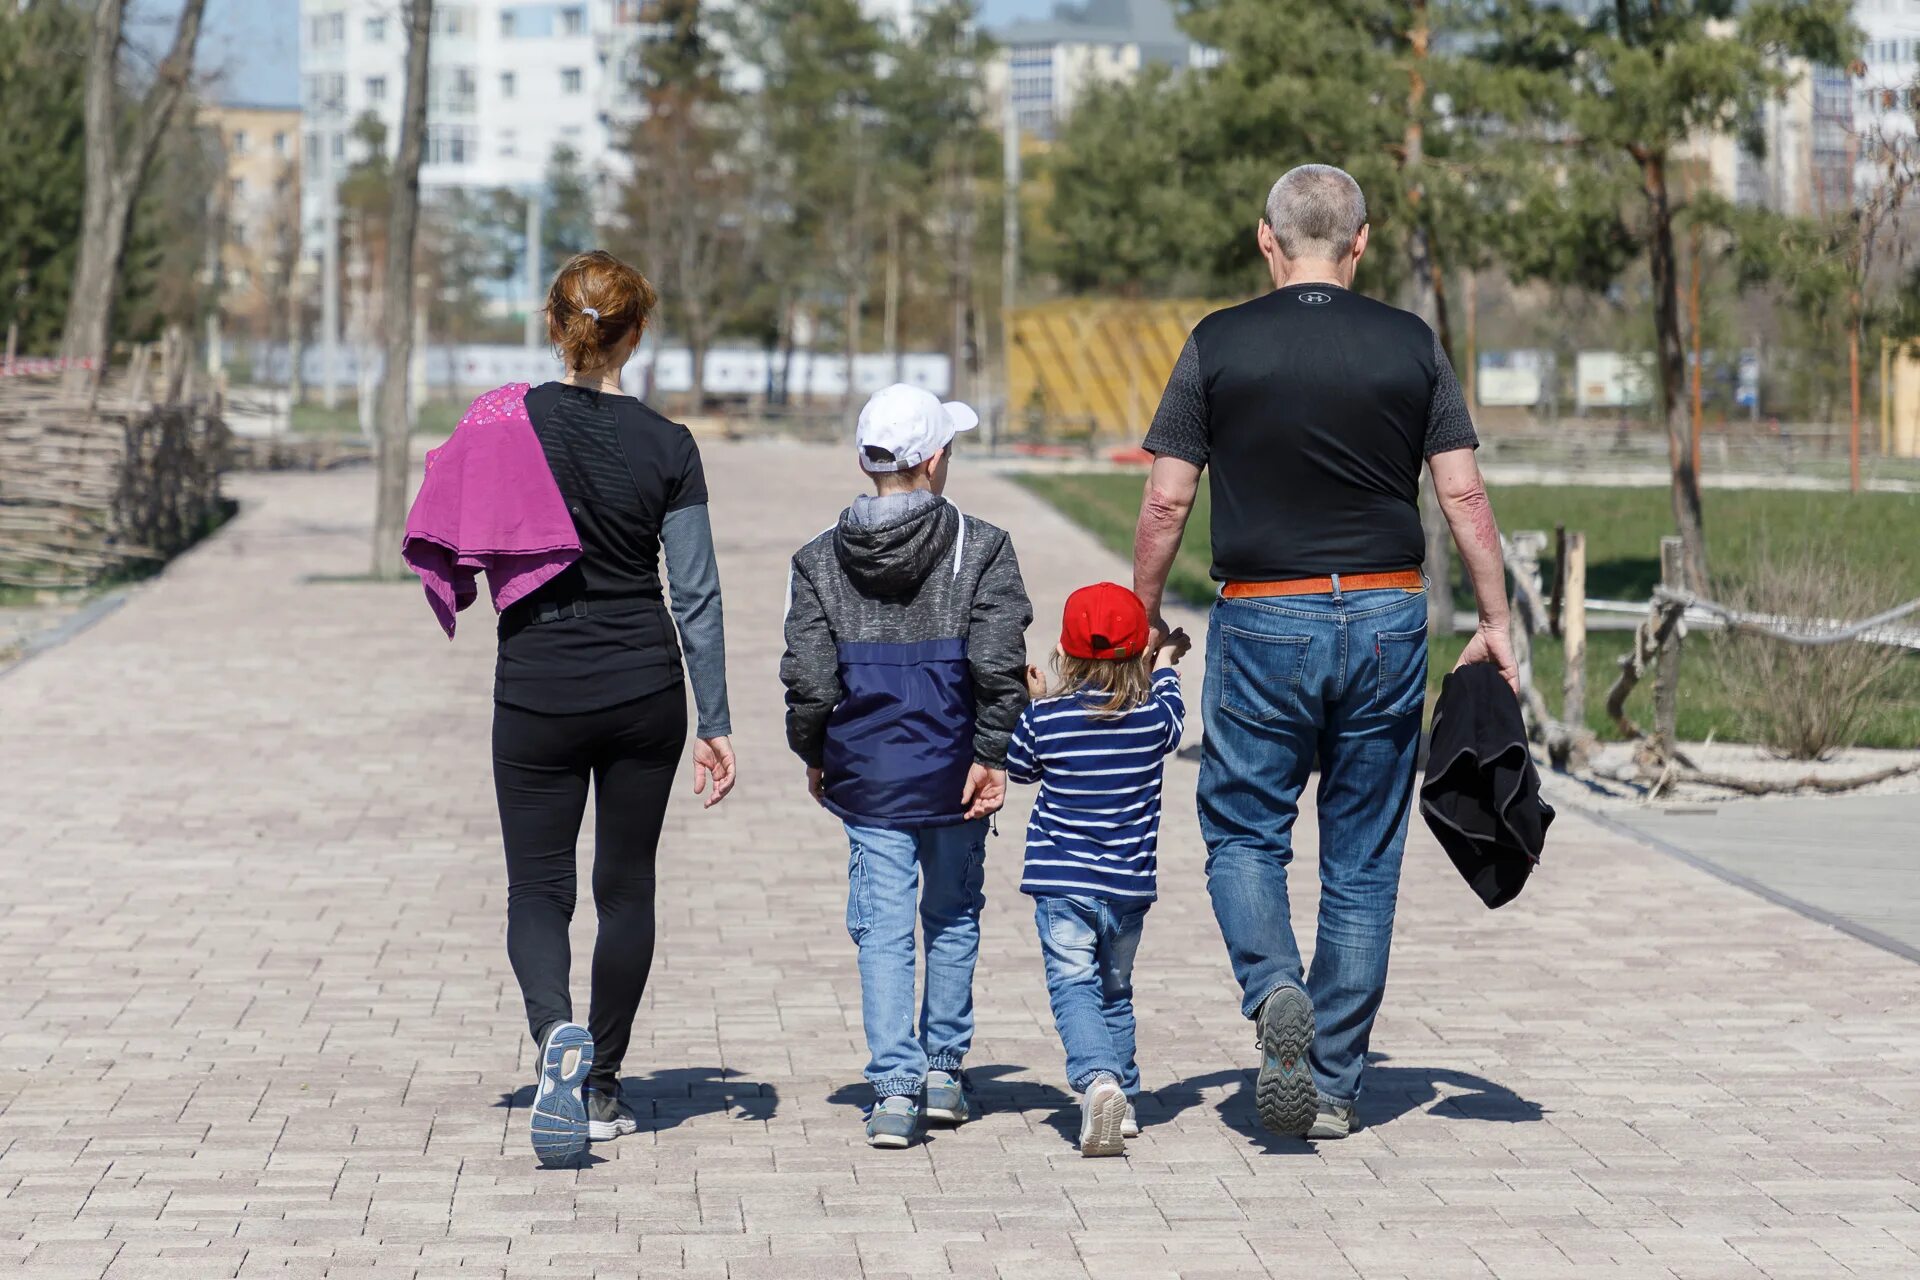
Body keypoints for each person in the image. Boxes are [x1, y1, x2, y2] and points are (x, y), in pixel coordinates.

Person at [1130, 164, 1517, 1141]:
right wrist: (1495, 618)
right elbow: (1464, 495)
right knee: (1361, 854)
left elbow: (1168, 497)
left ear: (1266, 239)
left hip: (1264, 614)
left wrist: (1140, 617)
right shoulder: (1410, 343)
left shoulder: (1217, 343)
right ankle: (1338, 1083)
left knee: (1244, 826)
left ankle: (1272, 995)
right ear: (1362, 240)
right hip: (1388, 613)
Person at [451, 250, 735, 1167]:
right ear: (637, 332)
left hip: (535, 680)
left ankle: (552, 1043)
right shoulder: (670, 445)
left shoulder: (503, 422)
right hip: (642, 685)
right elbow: (694, 593)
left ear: (552, 327)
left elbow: (449, 521)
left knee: (538, 888)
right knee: (626, 889)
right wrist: (718, 720)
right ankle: (604, 1080)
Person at [780, 383, 1033, 1149]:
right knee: (952, 917)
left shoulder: (819, 556)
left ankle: (894, 1088)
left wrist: (814, 750)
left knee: (884, 929)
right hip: (956, 766)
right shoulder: (982, 546)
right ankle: (945, 1073)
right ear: (931, 462)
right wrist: (992, 753)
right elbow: (999, 665)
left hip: (868, 773)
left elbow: (811, 679)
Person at [1007, 583, 1189, 1157]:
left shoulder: (1050, 721)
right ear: (1138, 654)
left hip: (1063, 885)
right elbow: (1175, 714)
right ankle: (1125, 1099)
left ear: (1064, 653)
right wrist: (1165, 666)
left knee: (1073, 988)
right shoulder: (1151, 722)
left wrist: (1032, 701)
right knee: (1115, 989)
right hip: (1129, 889)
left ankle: (1098, 1083)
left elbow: (1016, 768)